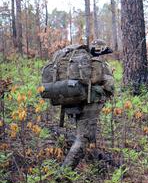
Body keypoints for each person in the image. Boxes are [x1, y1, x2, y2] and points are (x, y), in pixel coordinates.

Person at [40, 39, 115, 171]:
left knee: (86, 133)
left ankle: (95, 165)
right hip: (89, 101)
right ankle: (64, 174)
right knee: (83, 137)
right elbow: (110, 86)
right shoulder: (96, 64)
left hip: (73, 98)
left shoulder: (73, 62)